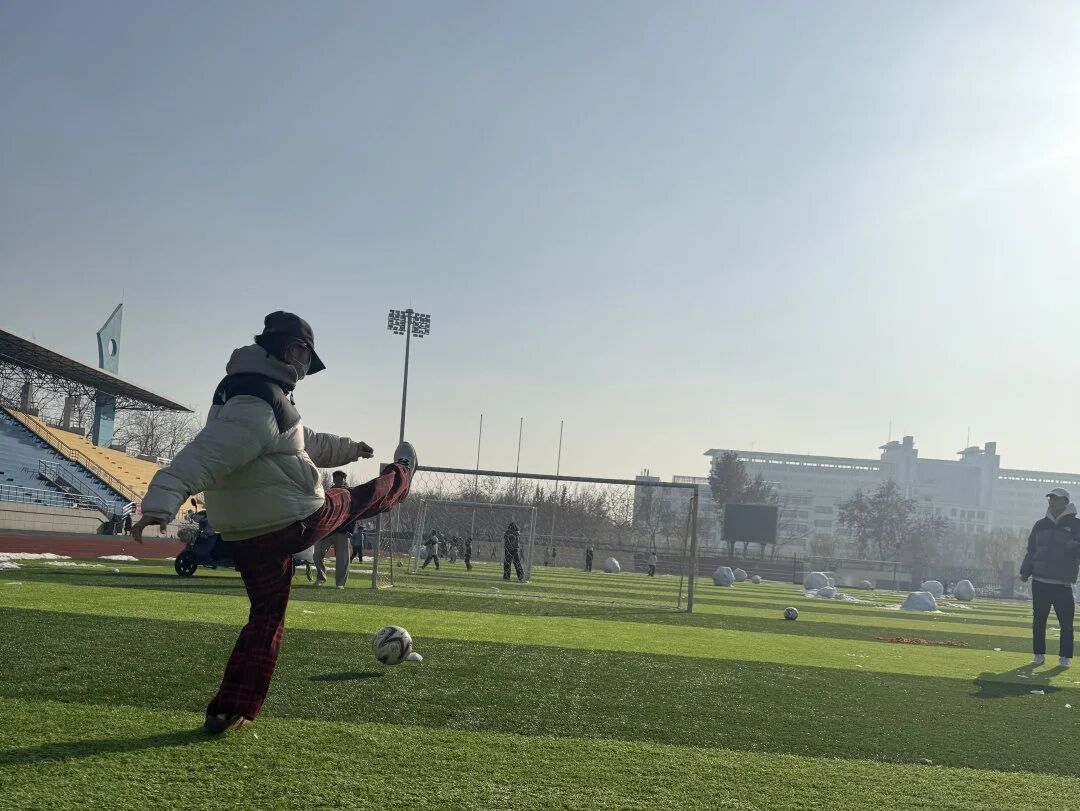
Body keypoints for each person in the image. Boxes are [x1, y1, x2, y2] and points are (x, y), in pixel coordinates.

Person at [132, 311, 415, 735]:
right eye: (306, 359)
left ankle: (230, 709)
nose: (305, 370)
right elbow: (205, 454)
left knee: (266, 617)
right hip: (291, 520)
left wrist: (349, 448)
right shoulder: (256, 403)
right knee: (353, 500)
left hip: (246, 535)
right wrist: (160, 501)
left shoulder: (251, 394)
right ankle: (403, 475)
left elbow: (303, 441)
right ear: (292, 350)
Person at [1020, 487, 1080, 668]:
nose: (1052, 501)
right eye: (1050, 498)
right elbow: (1031, 550)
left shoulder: (1076, 525)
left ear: (1065, 502)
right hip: (1040, 582)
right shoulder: (1040, 524)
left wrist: (1075, 547)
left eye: (1056, 498)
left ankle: (1065, 658)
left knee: (1066, 623)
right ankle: (1038, 655)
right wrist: (1025, 570)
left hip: (1062, 583)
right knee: (1039, 621)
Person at [313, 470, 353, 589]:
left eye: (341, 479)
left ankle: (340, 583)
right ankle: (321, 577)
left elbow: (353, 513)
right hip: (327, 530)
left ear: (344, 480)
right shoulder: (328, 493)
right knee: (317, 554)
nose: (338, 480)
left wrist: (351, 530)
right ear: (333, 479)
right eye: (336, 478)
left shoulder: (349, 494)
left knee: (342, 559)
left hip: (343, 531)